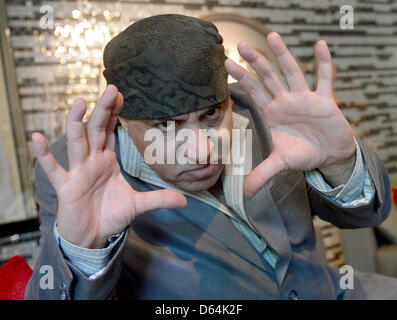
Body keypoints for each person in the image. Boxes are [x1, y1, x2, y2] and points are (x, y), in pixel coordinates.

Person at [25, 14, 396, 300]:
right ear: (121, 118)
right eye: (167, 125)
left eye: (212, 115)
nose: (202, 149)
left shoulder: (265, 110)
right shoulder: (73, 168)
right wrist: (81, 251)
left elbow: (367, 215)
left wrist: (339, 163)